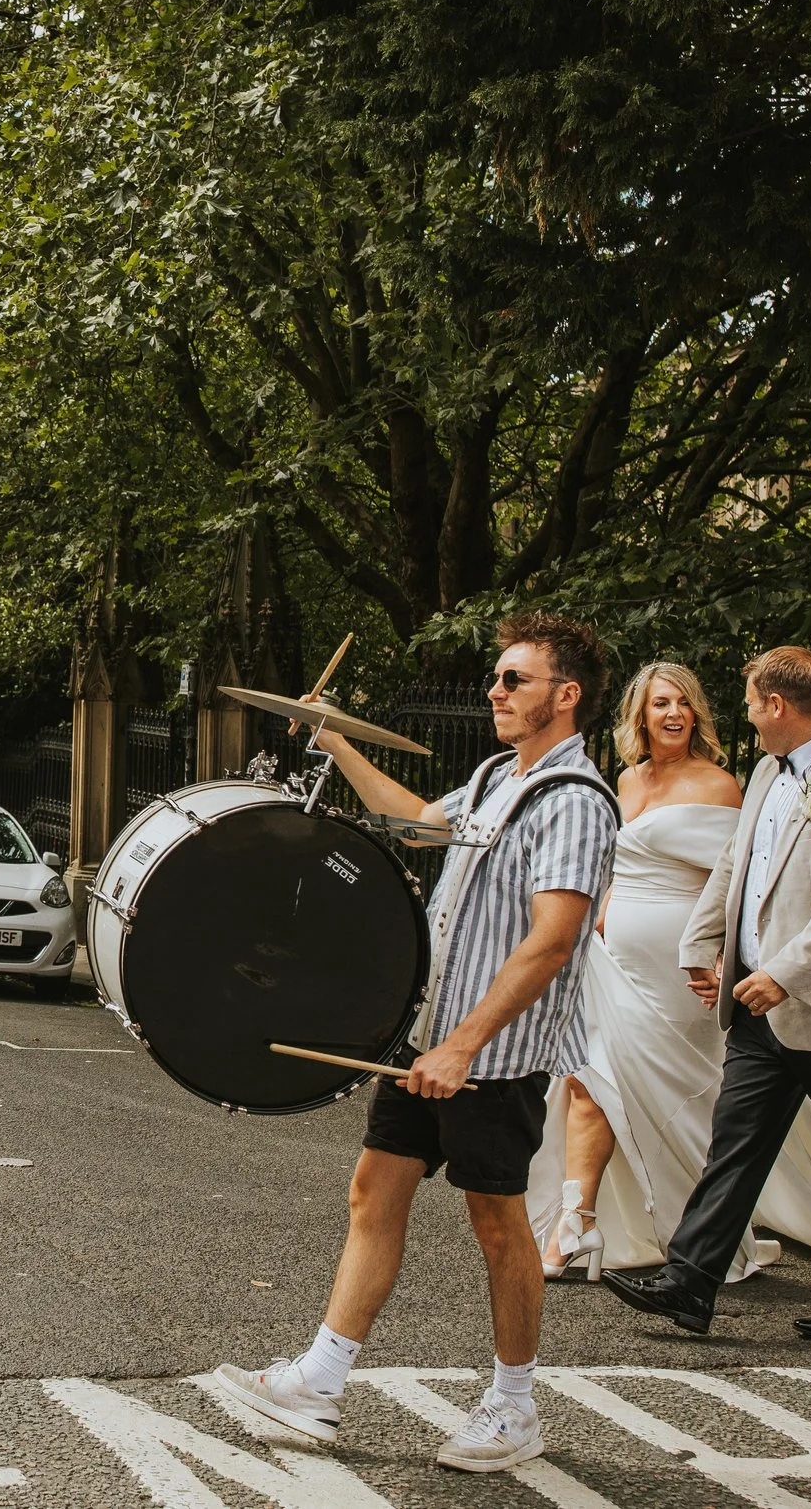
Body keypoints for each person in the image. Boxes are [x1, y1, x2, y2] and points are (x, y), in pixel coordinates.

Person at [215, 613, 619, 1474]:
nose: (495, 691)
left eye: (514, 679)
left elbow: (552, 940)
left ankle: (514, 1408)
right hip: (426, 1035)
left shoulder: (577, 802)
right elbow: (420, 824)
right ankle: (319, 1381)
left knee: (499, 1224)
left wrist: (466, 1045)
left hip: (490, 1057)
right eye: (498, 678)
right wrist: (337, 741)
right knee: (375, 1190)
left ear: (566, 695)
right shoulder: (494, 776)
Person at [603, 645, 811, 1340]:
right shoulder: (770, 772)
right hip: (755, 1004)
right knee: (735, 1143)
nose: (745, 719)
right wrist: (701, 943)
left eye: (749, 705)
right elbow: (733, 867)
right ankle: (690, 1281)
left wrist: (786, 971)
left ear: (777, 705)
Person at [533, 663, 743, 1279]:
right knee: (587, 1079)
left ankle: (701, 1229)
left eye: (683, 702)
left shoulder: (720, 785)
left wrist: (725, 957)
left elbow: (730, 886)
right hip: (616, 961)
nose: (673, 713)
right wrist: (601, 908)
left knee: (674, 1093)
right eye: (660, 704)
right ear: (641, 717)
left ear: (696, 713)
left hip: (684, 967)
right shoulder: (624, 781)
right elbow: (617, 864)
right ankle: (577, 1223)